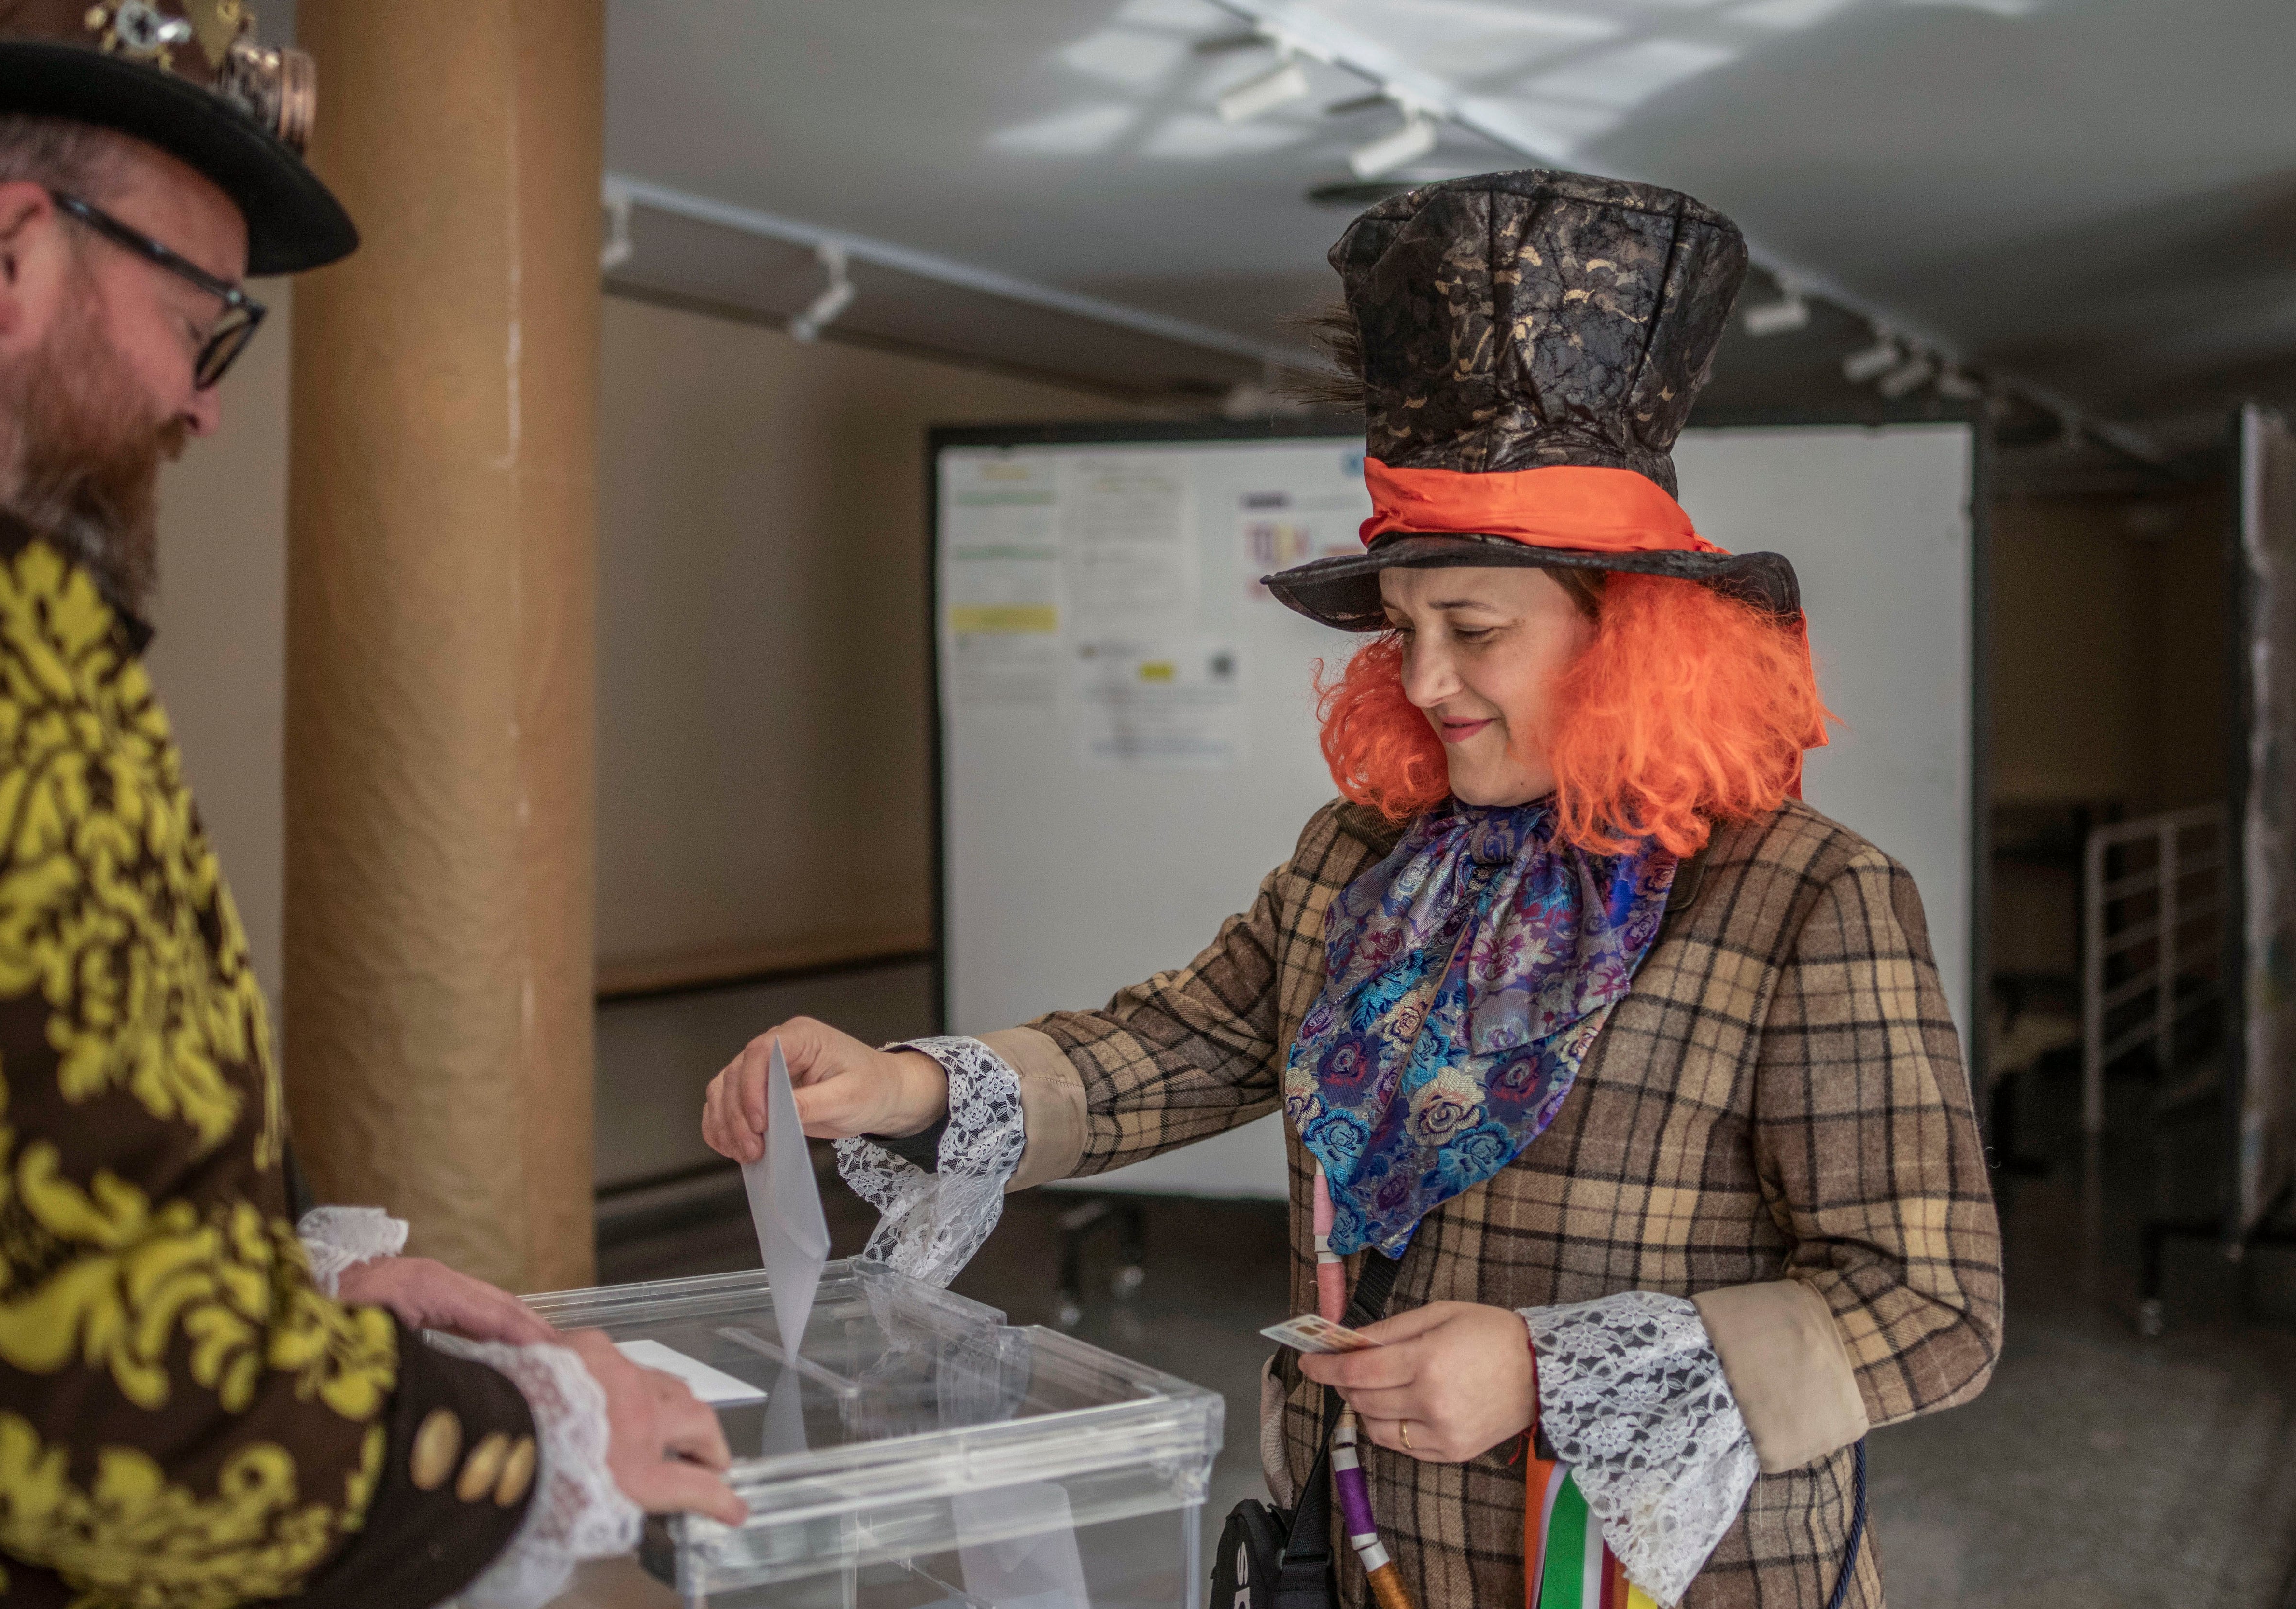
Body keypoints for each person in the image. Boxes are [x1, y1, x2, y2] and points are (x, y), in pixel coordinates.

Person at [705, 171, 2002, 1609]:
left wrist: (1542, 1366)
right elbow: (1188, 1043)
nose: (1427, 681)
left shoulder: (1809, 899)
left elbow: (1931, 1307)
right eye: (1401, 632)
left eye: (1476, 630)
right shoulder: (1366, 858)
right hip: (1363, 1553)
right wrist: (900, 1089)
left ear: (1631, 641)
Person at [0, 5, 741, 1605]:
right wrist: (544, 1440)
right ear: (7, 255)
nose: (203, 408)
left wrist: (275, 1283)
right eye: (202, 323)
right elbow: (106, 1408)